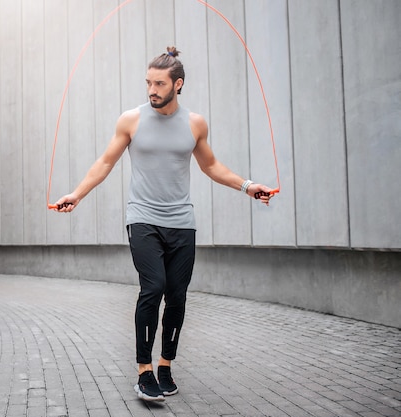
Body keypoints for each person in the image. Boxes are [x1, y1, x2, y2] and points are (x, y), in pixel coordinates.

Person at [52, 46, 274, 401]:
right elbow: (105, 162)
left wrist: (248, 187)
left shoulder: (195, 123)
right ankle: (144, 370)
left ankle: (166, 363)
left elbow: (212, 166)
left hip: (182, 223)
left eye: (159, 83)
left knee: (177, 295)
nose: (151, 89)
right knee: (152, 288)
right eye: (148, 82)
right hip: (143, 219)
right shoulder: (131, 120)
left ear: (178, 84)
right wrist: (77, 194)